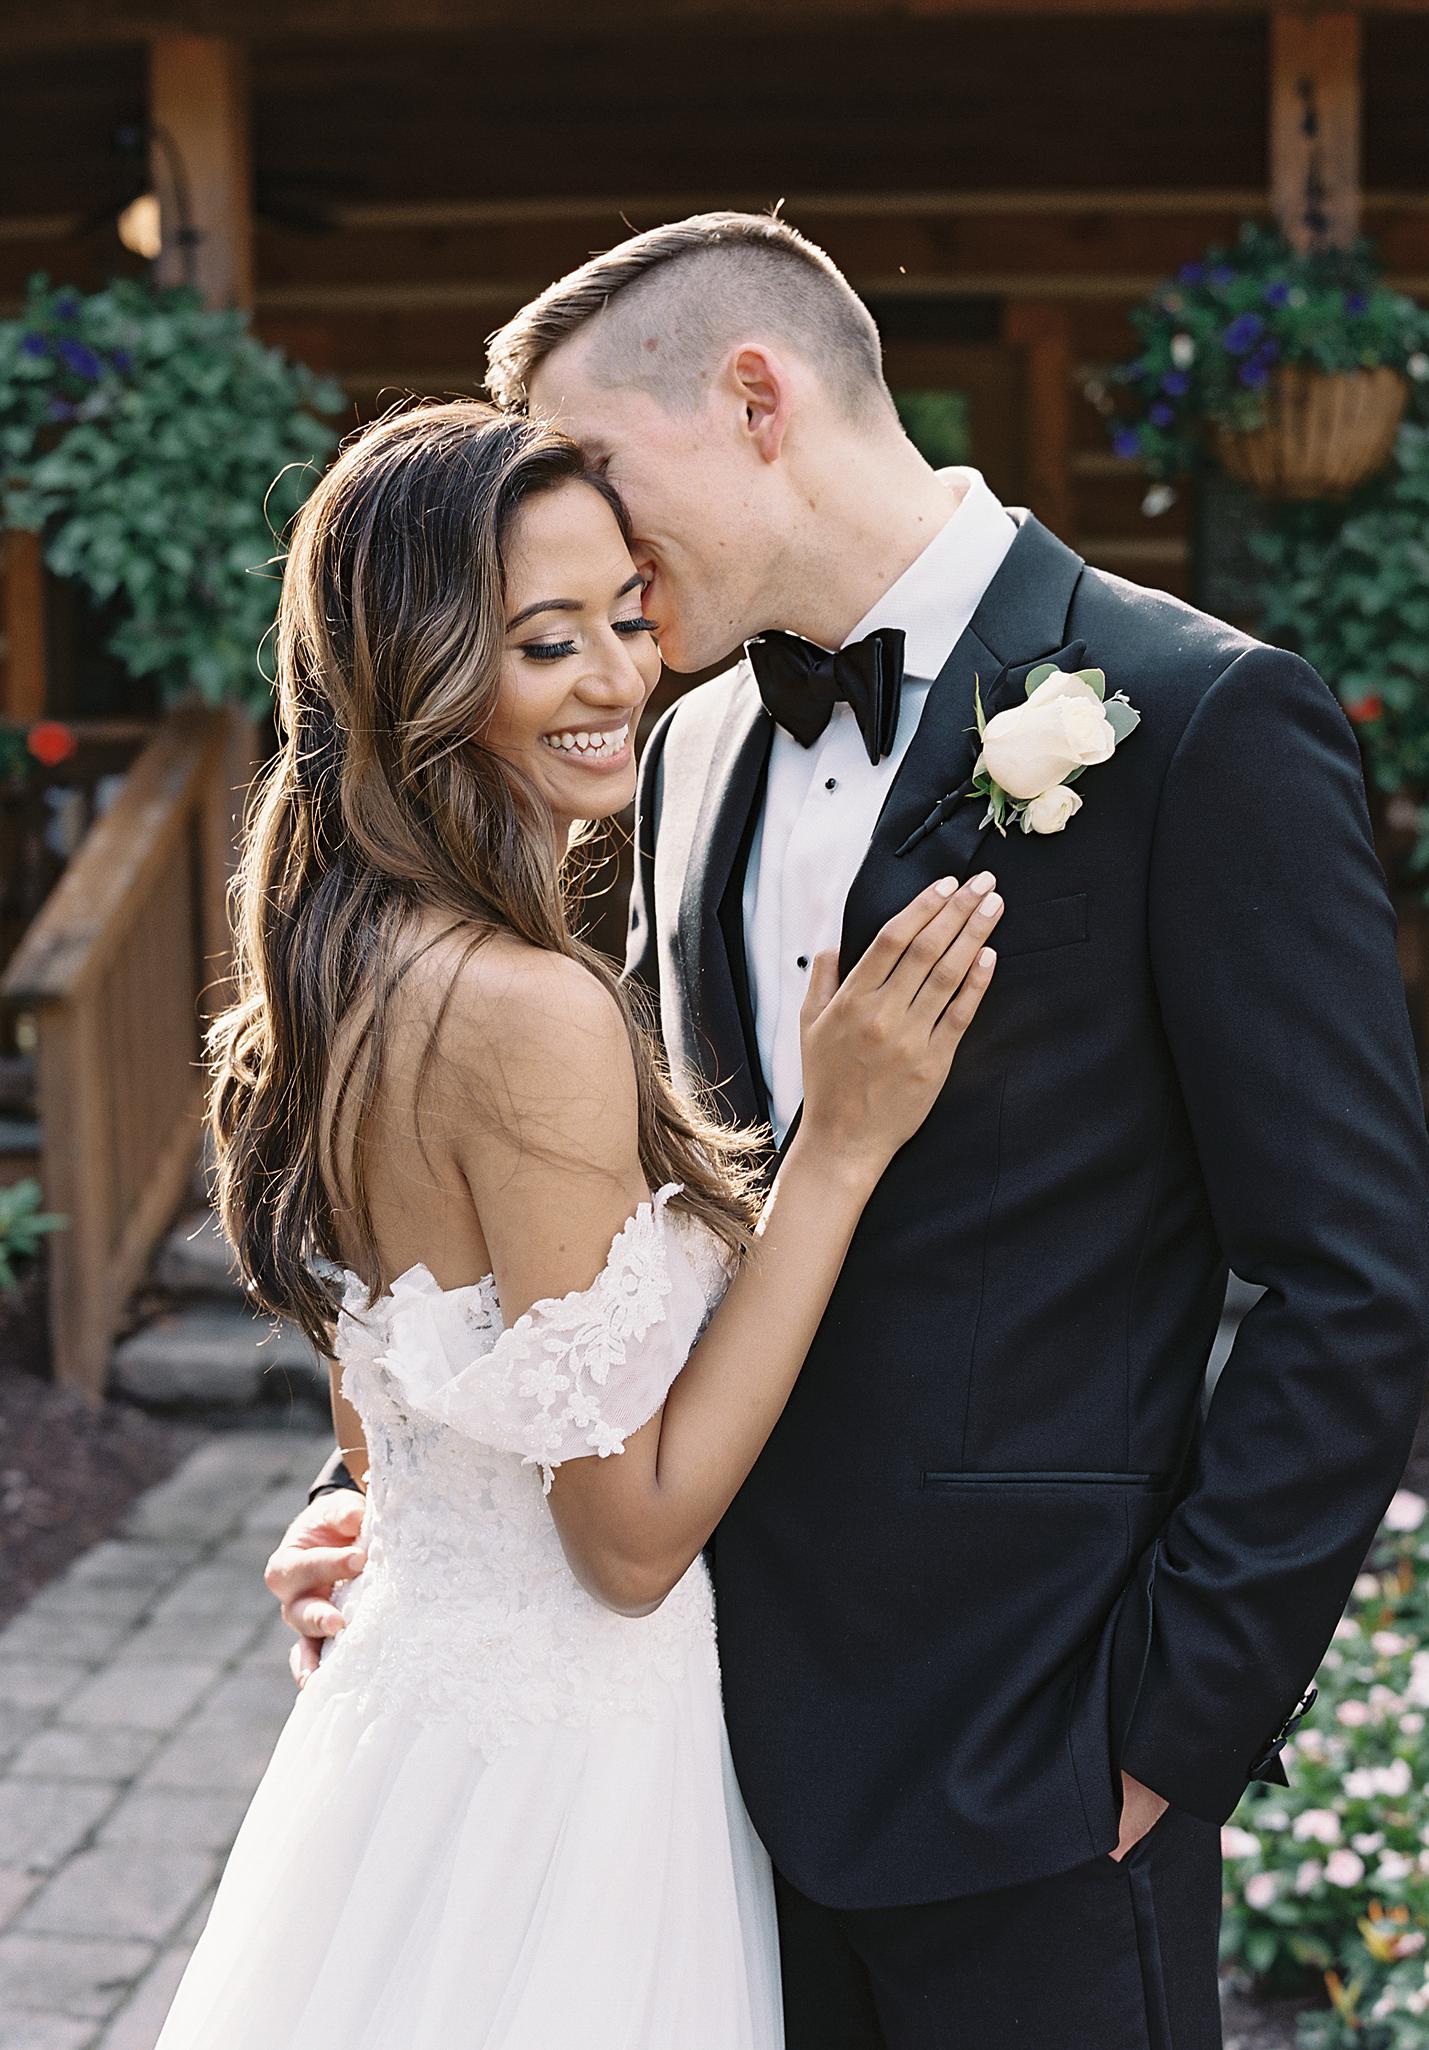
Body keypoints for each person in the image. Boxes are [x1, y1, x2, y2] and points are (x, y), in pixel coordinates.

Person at [271, 215, 1429, 2048]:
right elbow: (589, 1230)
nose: (603, 564)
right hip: (682, 1780)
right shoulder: (679, 746)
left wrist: (1164, 1740)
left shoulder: (1204, 720)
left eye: (608, 481)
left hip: (1033, 1785)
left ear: (755, 400)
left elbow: (1350, 1280)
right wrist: (394, 1496)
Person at [156, 399, 999, 2050]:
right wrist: (839, 1146)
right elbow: (623, 1543)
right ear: (418, 672)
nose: (618, 679)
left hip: (410, 1735)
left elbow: (396, 1413)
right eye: (546, 642)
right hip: (570, 1777)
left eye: (627, 617)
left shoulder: (338, 973)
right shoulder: (523, 1005)